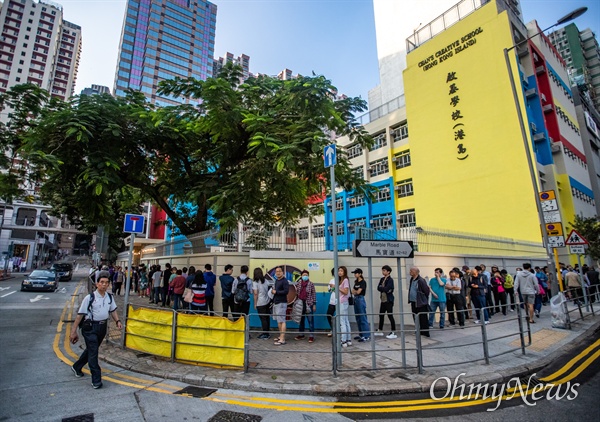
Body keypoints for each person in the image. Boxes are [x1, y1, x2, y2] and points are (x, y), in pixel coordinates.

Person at [70, 271, 122, 389]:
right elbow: (80, 315)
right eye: (102, 282)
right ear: (97, 284)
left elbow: (113, 310)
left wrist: (117, 321)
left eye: (106, 283)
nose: (104, 285)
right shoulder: (90, 298)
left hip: (102, 328)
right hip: (90, 328)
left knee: (91, 350)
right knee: (93, 352)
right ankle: (96, 379)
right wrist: (73, 332)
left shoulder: (109, 297)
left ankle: (77, 366)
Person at [295, 270, 317, 343]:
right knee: (301, 320)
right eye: (304, 274)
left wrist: (314, 305)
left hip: (309, 304)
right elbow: (296, 293)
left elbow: (313, 294)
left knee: (310, 321)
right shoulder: (299, 284)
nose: (305, 276)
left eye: (306, 275)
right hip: (300, 304)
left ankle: (311, 336)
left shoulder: (311, 284)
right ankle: (301, 334)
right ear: (301, 276)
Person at [408, 266, 430, 337]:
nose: (410, 272)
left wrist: (423, 298)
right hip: (413, 301)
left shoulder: (421, 280)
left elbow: (426, 291)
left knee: (423, 317)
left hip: (420, 302)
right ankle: (418, 330)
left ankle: (425, 332)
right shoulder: (412, 279)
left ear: (415, 272)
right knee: (415, 317)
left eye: (411, 271)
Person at [376, 265, 397, 339]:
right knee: (381, 314)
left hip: (388, 300)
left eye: (384, 270)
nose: (383, 272)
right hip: (383, 299)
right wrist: (383, 288)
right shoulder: (382, 279)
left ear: (388, 272)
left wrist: (383, 288)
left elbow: (387, 289)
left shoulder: (390, 280)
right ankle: (380, 329)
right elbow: (378, 287)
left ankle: (393, 331)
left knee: (390, 315)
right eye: (382, 270)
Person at [272, 267, 289, 345]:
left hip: (281, 303)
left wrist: (276, 292)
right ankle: (280, 336)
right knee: (279, 321)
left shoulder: (284, 281)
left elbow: (286, 291)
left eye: (279, 271)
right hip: (276, 302)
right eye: (276, 271)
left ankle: (282, 339)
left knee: (282, 320)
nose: (278, 273)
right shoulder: (276, 280)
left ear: (283, 272)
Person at [351, 268, 370, 342]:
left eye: (356, 273)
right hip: (355, 299)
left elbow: (359, 292)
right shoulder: (356, 282)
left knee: (362, 317)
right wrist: (355, 292)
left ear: (360, 274)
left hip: (360, 299)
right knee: (358, 317)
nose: (355, 275)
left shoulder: (363, 282)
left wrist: (355, 291)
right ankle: (361, 334)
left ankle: (366, 335)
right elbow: (353, 291)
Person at [253, 267, 272, 339]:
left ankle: (265, 334)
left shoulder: (255, 282)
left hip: (260, 303)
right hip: (267, 301)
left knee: (263, 318)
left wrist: (255, 303)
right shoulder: (266, 281)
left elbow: (255, 294)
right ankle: (267, 332)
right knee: (267, 318)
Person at [338, 266, 352, 347]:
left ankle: (343, 340)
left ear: (344, 272)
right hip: (343, 302)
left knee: (342, 321)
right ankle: (348, 339)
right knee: (346, 320)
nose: (340, 272)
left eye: (341, 271)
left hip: (343, 302)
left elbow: (346, 292)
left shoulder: (345, 280)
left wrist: (337, 288)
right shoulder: (342, 280)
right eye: (339, 271)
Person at [326, 268, 336, 337]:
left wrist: (334, 286)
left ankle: (340, 330)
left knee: (340, 317)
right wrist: (332, 287)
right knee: (329, 315)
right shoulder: (332, 280)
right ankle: (333, 329)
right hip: (332, 301)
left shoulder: (342, 280)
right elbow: (329, 290)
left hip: (340, 301)